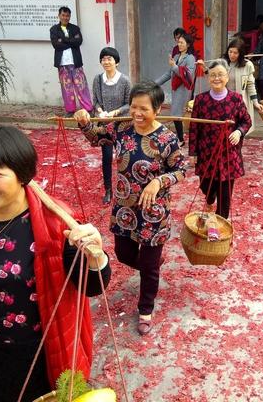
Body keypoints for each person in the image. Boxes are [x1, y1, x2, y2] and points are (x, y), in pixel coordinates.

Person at [0, 126, 111, 402]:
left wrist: (97, 257)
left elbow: (90, 286)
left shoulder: (57, 225)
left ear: (22, 175)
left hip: (41, 354)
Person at [74, 81, 187, 336]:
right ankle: (152, 268)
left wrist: (158, 181)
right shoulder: (122, 128)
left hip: (153, 213)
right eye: (134, 106)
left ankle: (146, 308)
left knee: (148, 266)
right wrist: (83, 121)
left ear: (157, 109)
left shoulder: (166, 138)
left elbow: (180, 169)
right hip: (125, 209)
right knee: (123, 254)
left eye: (143, 108)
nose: (137, 113)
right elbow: (96, 137)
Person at [189, 60, 251, 220]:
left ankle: (219, 223)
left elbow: (246, 121)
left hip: (228, 154)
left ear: (227, 77)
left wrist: (238, 132)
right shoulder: (200, 100)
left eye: (221, 75)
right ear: (208, 77)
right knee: (206, 186)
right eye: (213, 75)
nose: (217, 78)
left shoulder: (236, 99)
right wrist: (193, 152)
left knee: (225, 194)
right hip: (206, 152)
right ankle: (210, 199)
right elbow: (194, 126)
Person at [91, 47, 132, 205]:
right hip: (104, 125)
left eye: (110, 58)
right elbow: (95, 101)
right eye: (103, 59)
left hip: (122, 125)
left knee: (124, 158)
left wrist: (114, 113)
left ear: (117, 62)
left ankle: (125, 189)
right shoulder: (98, 79)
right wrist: (100, 111)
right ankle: (108, 190)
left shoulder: (125, 81)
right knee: (107, 157)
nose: (106, 61)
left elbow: (129, 104)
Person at [50, 6, 94, 116]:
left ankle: (88, 109)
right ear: (59, 16)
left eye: (67, 15)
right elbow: (56, 45)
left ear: (70, 16)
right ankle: (70, 110)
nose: (65, 17)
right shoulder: (54, 29)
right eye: (63, 15)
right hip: (62, 64)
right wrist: (71, 41)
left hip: (76, 63)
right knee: (66, 88)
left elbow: (78, 41)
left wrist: (63, 39)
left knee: (81, 86)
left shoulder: (75, 28)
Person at [155, 33, 196, 146]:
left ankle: (181, 139)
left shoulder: (190, 58)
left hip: (183, 90)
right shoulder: (177, 57)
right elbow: (169, 73)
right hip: (176, 89)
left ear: (188, 44)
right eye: (178, 42)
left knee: (176, 114)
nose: (179, 44)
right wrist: (155, 83)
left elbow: (188, 75)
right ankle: (181, 138)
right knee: (176, 114)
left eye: (182, 42)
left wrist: (174, 66)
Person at [222, 39, 263, 134]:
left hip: (240, 103)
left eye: (235, 53)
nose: (232, 55)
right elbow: (214, 77)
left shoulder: (247, 65)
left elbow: (250, 85)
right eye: (230, 51)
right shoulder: (223, 63)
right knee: (226, 130)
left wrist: (256, 103)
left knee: (239, 131)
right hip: (225, 102)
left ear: (240, 54)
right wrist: (204, 68)